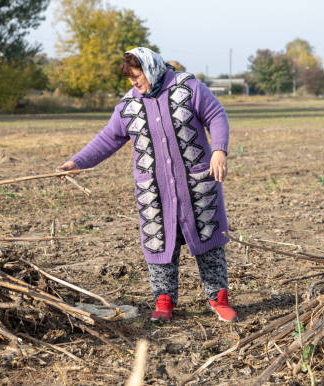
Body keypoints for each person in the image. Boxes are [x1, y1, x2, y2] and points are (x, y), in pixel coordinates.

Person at [59, 47, 237, 322]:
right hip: (155, 193)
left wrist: (219, 150)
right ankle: (164, 302)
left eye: (136, 75)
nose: (134, 82)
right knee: (159, 243)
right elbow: (108, 139)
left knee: (209, 241)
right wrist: (77, 162)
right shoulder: (128, 106)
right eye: (129, 78)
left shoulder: (187, 87)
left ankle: (218, 298)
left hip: (196, 186)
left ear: (151, 67)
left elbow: (216, 115)